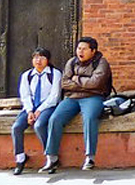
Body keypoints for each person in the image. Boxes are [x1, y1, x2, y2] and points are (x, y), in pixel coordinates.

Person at [41, 36, 112, 173]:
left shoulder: (101, 63)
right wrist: (85, 83)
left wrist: (76, 79)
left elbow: (96, 83)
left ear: (93, 51)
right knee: (55, 118)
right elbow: (64, 82)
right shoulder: (71, 62)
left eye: (84, 49)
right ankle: (52, 157)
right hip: (71, 98)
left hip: (93, 97)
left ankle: (89, 157)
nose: (80, 51)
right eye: (79, 48)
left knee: (90, 118)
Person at [10, 47, 62, 175]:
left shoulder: (55, 74)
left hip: (48, 107)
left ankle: (51, 157)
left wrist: (39, 111)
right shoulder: (26, 75)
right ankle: (20, 158)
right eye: (36, 57)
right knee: (16, 127)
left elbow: (54, 97)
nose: (38, 60)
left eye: (42, 57)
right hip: (30, 108)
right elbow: (25, 95)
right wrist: (29, 111)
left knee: (39, 125)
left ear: (48, 60)